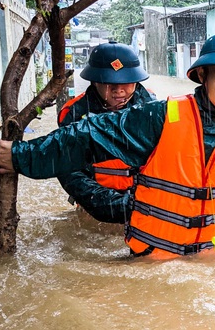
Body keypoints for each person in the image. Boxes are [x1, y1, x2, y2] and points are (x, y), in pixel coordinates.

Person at [0, 33, 215, 259]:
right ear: (203, 76)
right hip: (159, 258)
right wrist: (21, 157)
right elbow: (89, 136)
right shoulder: (160, 117)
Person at [56, 41, 154, 223]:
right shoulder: (74, 114)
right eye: (109, 84)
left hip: (144, 202)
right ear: (95, 81)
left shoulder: (153, 110)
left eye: (126, 82)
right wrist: (106, 204)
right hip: (94, 204)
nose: (119, 91)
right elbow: (69, 170)